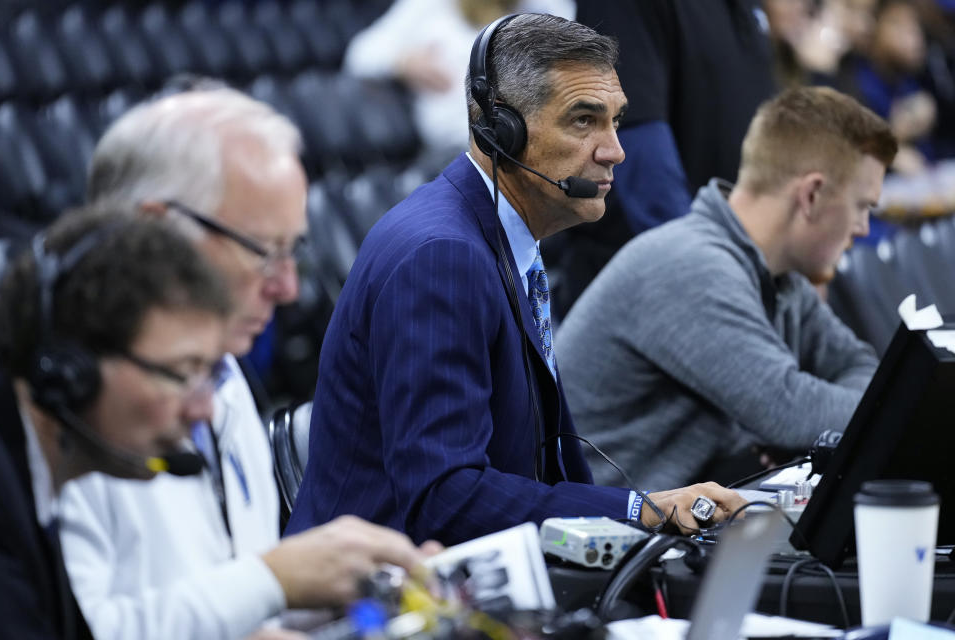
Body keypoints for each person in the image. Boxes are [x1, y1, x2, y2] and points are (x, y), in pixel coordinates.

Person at [286, 14, 748, 547]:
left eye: (616, 121)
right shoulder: (442, 260)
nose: (614, 150)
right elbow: (446, 497)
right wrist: (639, 511)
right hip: (375, 600)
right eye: (583, 121)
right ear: (498, 129)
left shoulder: (500, 239)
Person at [59, 87, 435, 640]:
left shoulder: (226, 376)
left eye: (293, 252)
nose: (286, 288)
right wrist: (274, 579)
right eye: (263, 251)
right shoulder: (58, 406)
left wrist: (358, 592)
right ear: (156, 230)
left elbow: (233, 608)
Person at [557, 86, 897, 490]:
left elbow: (857, 366)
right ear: (812, 194)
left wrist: (809, 425)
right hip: (597, 532)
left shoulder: (779, 274)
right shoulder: (690, 265)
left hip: (670, 521)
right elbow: (793, 412)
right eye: (862, 206)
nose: (862, 228)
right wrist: (798, 426)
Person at [0, 207, 231, 639]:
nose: (203, 411)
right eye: (182, 373)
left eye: (209, 375)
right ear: (71, 368)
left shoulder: (34, 483)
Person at [550, 0, 777, 316]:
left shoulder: (747, 8)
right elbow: (640, 161)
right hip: (659, 289)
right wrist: (711, 275)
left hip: (737, 273)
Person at [343, 0, 575, 153]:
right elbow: (359, 55)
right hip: (458, 142)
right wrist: (403, 62)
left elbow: (577, 34)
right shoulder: (429, 6)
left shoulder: (537, 8)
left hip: (532, 131)